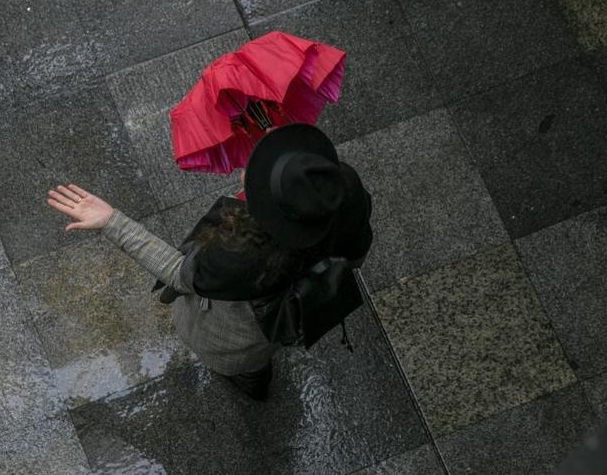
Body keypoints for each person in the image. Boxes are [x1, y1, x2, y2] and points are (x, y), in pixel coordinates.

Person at [46, 124, 372, 400]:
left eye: (258, 176)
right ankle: (255, 380)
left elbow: (179, 273)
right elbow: (356, 255)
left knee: (242, 365)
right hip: (275, 328)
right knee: (257, 363)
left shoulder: (239, 254)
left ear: (269, 216)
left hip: (233, 337)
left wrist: (110, 221)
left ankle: (251, 382)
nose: (247, 170)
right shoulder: (343, 190)